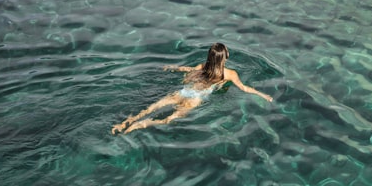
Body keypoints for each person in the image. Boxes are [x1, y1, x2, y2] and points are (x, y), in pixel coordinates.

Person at [112, 42, 273, 134]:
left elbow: (188, 71)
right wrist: (263, 95)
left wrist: (173, 67)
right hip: (195, 99)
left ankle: (124, 123)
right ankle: (142, 125)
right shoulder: (230, 74)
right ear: (225, 57)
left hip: (183, 92)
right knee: (167, 120)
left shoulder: (202, 66)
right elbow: (244, 88)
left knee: (149, 108)